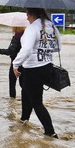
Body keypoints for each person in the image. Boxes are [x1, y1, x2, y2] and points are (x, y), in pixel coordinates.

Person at [12, 8, 60, 138]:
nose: (26, 18)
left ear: (32, 14)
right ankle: (24, 119)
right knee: (26, 93)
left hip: (33, 68)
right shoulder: (52, 26)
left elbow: (26, 50)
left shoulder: (32, 28)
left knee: (37, 102)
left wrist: (15, 64)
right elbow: (57, 47)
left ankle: (50, 132)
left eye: (27, 15)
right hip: (47, 66)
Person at [0, 26, 25, 98]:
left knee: (12, 83)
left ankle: (12, 102)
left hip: (15, 63)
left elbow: (10, 51)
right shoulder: (28, 36)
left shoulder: (17, 37)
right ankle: (26, 101)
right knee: (24, 85)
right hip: (26, 63)